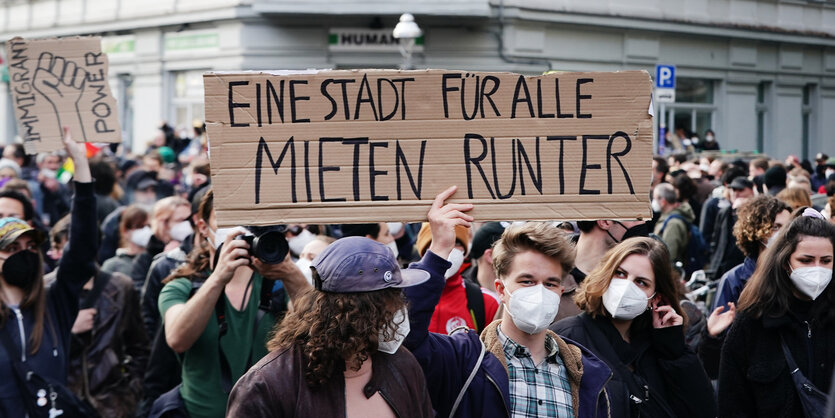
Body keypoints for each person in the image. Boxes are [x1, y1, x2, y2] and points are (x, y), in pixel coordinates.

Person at [403, 186, 612, 418]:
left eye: (550, 284)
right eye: (527, 281)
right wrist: (439, 249)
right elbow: (405, 336)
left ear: (561, 290)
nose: (540, 292)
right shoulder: (464, 361)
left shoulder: (586, 373)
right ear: (501, 290)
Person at [226, 236, 434, 417]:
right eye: (393, 297)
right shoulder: (268, 384)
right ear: (364, 310)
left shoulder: (403, 365)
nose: (399, 307)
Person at [155, 206, 310, 417]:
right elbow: (177, 339)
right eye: (227, 218)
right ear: (203, 227)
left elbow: (317, 332)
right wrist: (218, 277)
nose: (239, 230)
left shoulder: (277, 287)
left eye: (248, 222)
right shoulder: (182, 287)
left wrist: (291, 273)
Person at [552, 238, 716, 417]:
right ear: (606, 273)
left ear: (655, 298)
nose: (626, 286)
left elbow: (703, 408)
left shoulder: (659, 345)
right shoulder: (567, 337)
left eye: (641, 282)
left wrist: (673, 349)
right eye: (620, 274)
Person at [0, 128, 97, 417]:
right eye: (12, 248)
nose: (24, 253)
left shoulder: (54, 301)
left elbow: (81, 247)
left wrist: (79, 164)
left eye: (31, 246)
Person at [718, 210, 835, 416]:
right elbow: (733, 401)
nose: (817, 269)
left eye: (826, 261)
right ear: (785, 262)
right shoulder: (752, 322)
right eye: (806, 260)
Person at [44, 213, 150, 418]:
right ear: (56, 251)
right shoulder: (43, 291)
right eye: (70, 249)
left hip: (111, 405)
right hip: (62, 404)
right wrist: (69, 330)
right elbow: (34, 354)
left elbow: (140, 348)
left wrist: (129, 393)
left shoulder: (120, 287)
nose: (78, 255)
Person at [414, 222, 500, 334]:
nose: (448, 248)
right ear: (423, 250)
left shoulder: (486, 302)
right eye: (436, 241)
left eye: (456, 242)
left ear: (465, 251)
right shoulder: (404, 299)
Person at [652, 182, 695, 264]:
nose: (653, 201)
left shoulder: (672, 224)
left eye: (655, 198)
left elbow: (669, 255)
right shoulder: (668, 218)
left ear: (663, 201)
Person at [101, 204, 150, 277]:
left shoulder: (155, 261)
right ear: (125, 231)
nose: (145, 230)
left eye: (148, 226)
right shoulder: (112, 265)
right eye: (140, 226)